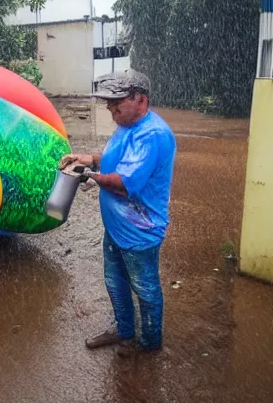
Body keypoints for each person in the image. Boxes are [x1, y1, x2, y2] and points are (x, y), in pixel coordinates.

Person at [59, 69, 177, 356]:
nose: (110, 108)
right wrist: (88, 159)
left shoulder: (152, 135)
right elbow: (115, 161)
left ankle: (149, 344)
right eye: (108, 102)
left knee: (145, 288)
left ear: (141, 100)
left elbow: (124, 185)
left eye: (117, 102)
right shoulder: (127, 125)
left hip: (140, 231)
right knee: (115, 280)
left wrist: (88, 175)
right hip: (117, 227)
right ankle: (124, 330)